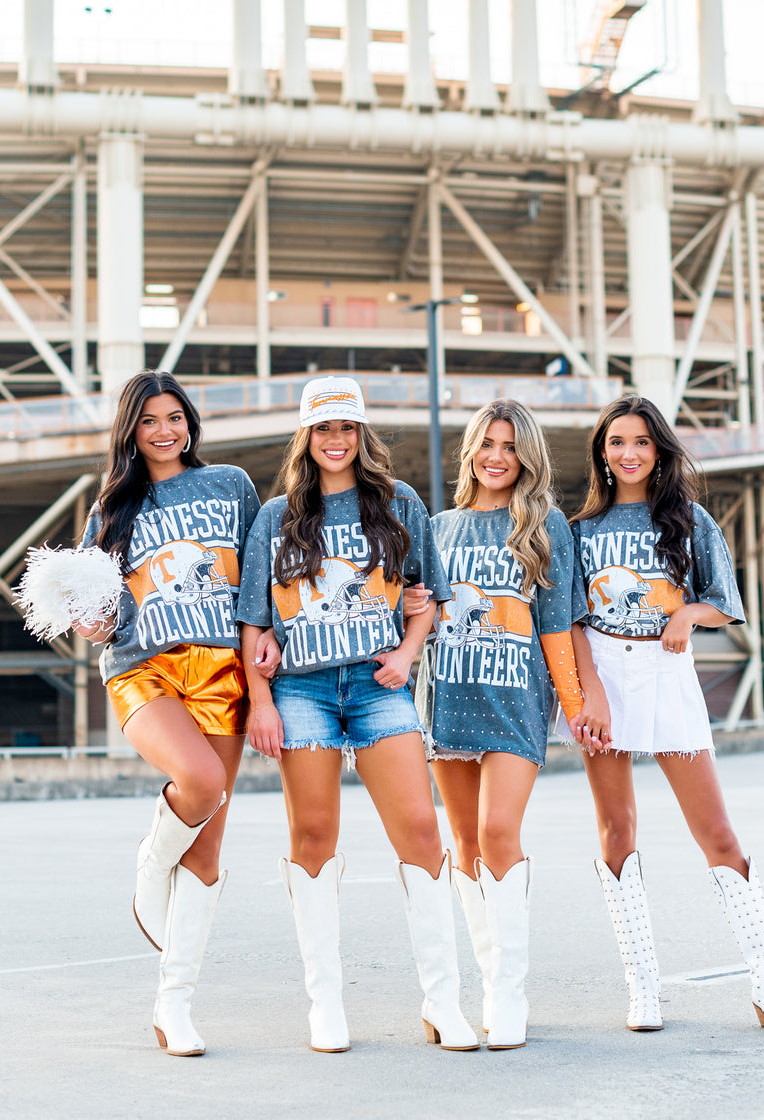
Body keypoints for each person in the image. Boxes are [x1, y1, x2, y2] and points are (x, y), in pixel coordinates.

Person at [236, 375, 477, 1054]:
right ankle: (325, 1006)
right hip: (303, 692)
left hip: (378, 689)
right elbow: (255, 626)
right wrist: (260, 704)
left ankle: (443, 1004)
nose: (335, 440)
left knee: (422, 834)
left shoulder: (399, 505)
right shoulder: (275, 517)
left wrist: (405, 654)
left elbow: (428, 595)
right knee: (313, 836)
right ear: (306, 437)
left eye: (347, 428)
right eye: (323, 428)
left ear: (362, 434)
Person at [568, 393, 764, 1036]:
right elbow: (571, 623)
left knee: (718, 835)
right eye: (617, 442)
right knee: (617, 833)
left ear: (659, 449)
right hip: (605, 679)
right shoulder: (579, 531)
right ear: (602, 454)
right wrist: (592, 694)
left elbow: (723, 601)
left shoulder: (690, 520)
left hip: (667, 675)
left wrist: (686, 614)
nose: (629, 453)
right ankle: (643, 990)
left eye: (641, 441)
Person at [76, 369, 264, 1057]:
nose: (164, 431)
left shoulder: (232, 486)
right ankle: (152, 862)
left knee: (209, 851)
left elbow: (259, 578)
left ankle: (173, 1004)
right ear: (131, 431)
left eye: (174, 417)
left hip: (223, 671)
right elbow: (102, 609)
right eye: (149, 420)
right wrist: (93, 621)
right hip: (142, 667)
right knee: (201, 783)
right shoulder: (110, 510)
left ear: (190, 422)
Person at [410, 399, 588, 1050]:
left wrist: (574, 707)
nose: (496, 456)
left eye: (509, 446)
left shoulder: (545, 527)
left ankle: (508, 993)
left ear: (526, 457)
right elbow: (416, 617)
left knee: (496, 829)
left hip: (516, 700)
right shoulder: (437, 528)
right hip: (449, 696)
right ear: (470, 452)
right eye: (486, 443)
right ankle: (488, 985)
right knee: (463, 839)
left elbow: (557, 627)